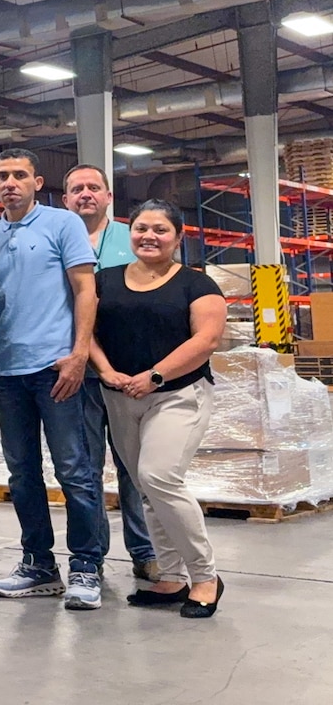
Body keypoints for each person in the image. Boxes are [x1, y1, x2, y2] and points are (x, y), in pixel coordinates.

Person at [0, 148, 105, 610]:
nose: (11, 183)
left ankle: (87, 567)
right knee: (23, 473)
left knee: (74, 470)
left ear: (37, 181)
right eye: (2, 176)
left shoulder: (62, 224)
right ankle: (38, 565)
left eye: (20, 175)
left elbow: (86, 290)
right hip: (9, 374)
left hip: (56, 371)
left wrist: (77, 356)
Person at [90, 200, 227, 618]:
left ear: (178, 237)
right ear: (129, 234)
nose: (149, 236)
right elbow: (85, 331)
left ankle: (205, 577)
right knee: (145, 487)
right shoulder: (104, 280)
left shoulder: (196, 284)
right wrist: (107, 370)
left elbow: (206, 340)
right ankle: (170, 577)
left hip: (178, 395)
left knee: (159, 476)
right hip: (119, 394)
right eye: (141, 228)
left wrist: (155, 375)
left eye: (161, 230)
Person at [63, 164, 160, 584]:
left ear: (108, 197)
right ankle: (91, 556)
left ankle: (145, 551)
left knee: (135, 468)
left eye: (93, 187)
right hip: (78, 374)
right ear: (65, 200)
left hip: (130, 374)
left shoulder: (134, 237)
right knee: (84, 467)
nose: (85, 194)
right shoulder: (58, 238)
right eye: (76, 189)